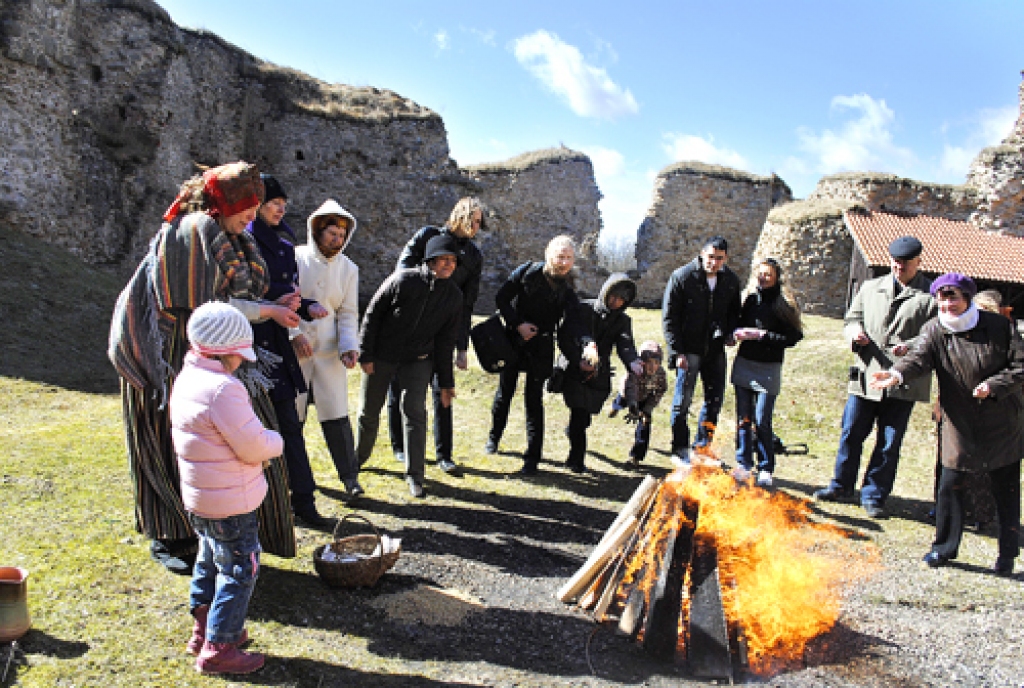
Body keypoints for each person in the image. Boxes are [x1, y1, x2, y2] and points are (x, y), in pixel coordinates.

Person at [109, 162, 299, 574]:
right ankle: (170, 536)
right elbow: (202, 307)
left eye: (256, 205)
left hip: (199, 349)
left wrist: (270, 309)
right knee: (166, 442)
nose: (253, 213)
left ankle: (218, 532)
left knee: (211, 442)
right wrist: (266, 310)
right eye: (247, 205)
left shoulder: (231, 237)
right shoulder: (193, 230)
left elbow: (225, 304)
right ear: (224, 201)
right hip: (163, 353)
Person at [871, 273, 1023, 575]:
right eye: (941, 297)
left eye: (953, 297)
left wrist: (995, 386)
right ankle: (944, 548)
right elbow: (917, 359)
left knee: (1004, 489)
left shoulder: (999, 327)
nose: (947, 303)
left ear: (967, 298)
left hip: (1001, 421)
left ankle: (1007, 555)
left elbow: (1021, 365)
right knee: (950, 485)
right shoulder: (935, 329)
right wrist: (895, 375)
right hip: (959, 420)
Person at [169, 302, 280, 675]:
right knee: (239, 569)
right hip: (232, 500)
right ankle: (220, 646)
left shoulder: (188, 376)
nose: (241, 363)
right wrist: (275, 441)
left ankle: (204, 630)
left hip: (201, 497)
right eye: (239, 355)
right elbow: (252, 444)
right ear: (225, 352)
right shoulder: (223, 390)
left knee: (208, 558)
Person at [813, 235, 937, 519]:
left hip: (903, 381)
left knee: (889, 442)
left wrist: (913, 345)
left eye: (905, 263)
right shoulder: (871, 287)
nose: (899, 267)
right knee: (851, 433)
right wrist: (854, 333)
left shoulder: (930, 295)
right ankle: (841, 485)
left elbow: (935, 335)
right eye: (895, 262)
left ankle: (874, 495)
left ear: (919, 261)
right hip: (866, 377)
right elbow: (850, 319)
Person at [246, 175, 333, 527]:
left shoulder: (284, 246)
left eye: (283, 203)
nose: (280, 208)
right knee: (254, 432)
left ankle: (304, 501)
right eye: (273, 203)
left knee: (290, 429)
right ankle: (262, 508)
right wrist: (275, 304)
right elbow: (239, 298)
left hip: (278, 349)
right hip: (251, 348)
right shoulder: (244, 243)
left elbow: (289, 293)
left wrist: (306, 306)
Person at [356, 235, 463, 497]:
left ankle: (415, 475)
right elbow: (372, 314)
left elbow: (446, 342)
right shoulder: (404, 280)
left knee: (415, 412)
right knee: (369, 410)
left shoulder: (453, 296)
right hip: (383, 356)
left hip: (419, 359)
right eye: (444, 259)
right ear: (430, 260)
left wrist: (446, 383)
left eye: (453, 261)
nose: (449, 265)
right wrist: (366, 355)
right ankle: (355, 462)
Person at [388, 197, 485, 475]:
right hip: (410, 324)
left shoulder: (475, 256)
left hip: (445, 330)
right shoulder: (427, 236)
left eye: (479, 222)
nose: (476, 226)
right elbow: (401, 276)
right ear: (460, 215)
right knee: (400, 387)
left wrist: (462, 347)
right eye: (472, 219)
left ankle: (444, 454)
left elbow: (468, 304)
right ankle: (400, 445)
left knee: (443, 389)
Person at [488, 235, 580, 475]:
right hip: (515, 340)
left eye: (569, 258)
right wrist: (518, 324)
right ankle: (493, 438)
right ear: (549, 254)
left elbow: (573, 322)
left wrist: (585, 345)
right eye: (560, 256)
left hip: (542, 346)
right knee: (505, 391)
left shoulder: (568, 288)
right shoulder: (527, 272)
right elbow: (502, 299)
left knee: (534, 401)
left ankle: (532, 458)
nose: (563, 262)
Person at [294, 200, 364, 498]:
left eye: (341, 235)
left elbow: (347, 312)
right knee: (291, 417)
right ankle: (288, 475)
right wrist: (293, 334)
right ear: (317, 231)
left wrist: (349, 347)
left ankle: (350, 477)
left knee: (336, 416)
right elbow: (284, 300)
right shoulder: (295, 258)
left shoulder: (349, 269)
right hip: (296, 352)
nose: (337, 240)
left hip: (328, 352)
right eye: (331, 233)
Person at [662, 235, 742, 464]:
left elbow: (734, 312)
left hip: (715, 349)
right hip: (689, 348)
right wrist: (676, 352)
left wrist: (729, 332)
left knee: (714, 399)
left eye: (719, 258)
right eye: (710, 257)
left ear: (725, 258)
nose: (713, 262)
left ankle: (702, 448)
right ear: (701, 254)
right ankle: (679, 448)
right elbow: (670, 318)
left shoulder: (730, 281)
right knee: (682, 400)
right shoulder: (682, 277)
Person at [731, 258, 804, 488]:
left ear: (776, 277)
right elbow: (736, 323)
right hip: (745, 363)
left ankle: (765, 467)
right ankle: (743, 463)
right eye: (761, 274)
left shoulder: (783, 304)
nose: (763, 278)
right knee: (744, 418)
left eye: (768, 275)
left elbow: (793, 338)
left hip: (769, 368)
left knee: (762, 420)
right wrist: (736, 334)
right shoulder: (750, 300)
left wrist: (762, 335)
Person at [559, 273, 642, 473]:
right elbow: (565, 337)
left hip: (598, 374)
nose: (616, 302)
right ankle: (576, 460)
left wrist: (632, 361)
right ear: (605, 292)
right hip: (574, 368)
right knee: (579, 413)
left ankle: (573, 434)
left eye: (622, 299)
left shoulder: (623, 321)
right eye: (613, 296)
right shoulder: (583, 309)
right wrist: (578, 359)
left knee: (584, 417)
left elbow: (625, 343)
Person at [609, 340, 668, 467]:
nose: (652, 366)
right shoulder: (635, 371)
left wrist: (647, 410)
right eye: (649, 362)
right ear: (642, 362)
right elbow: (630, 390)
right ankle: (615, 407)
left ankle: (636, 456)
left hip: (645, 396)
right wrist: (633, 407)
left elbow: (660, 391)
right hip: (629, 395)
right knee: (620, 401)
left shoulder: (660, 374)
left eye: (656, 363)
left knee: (645, 424)